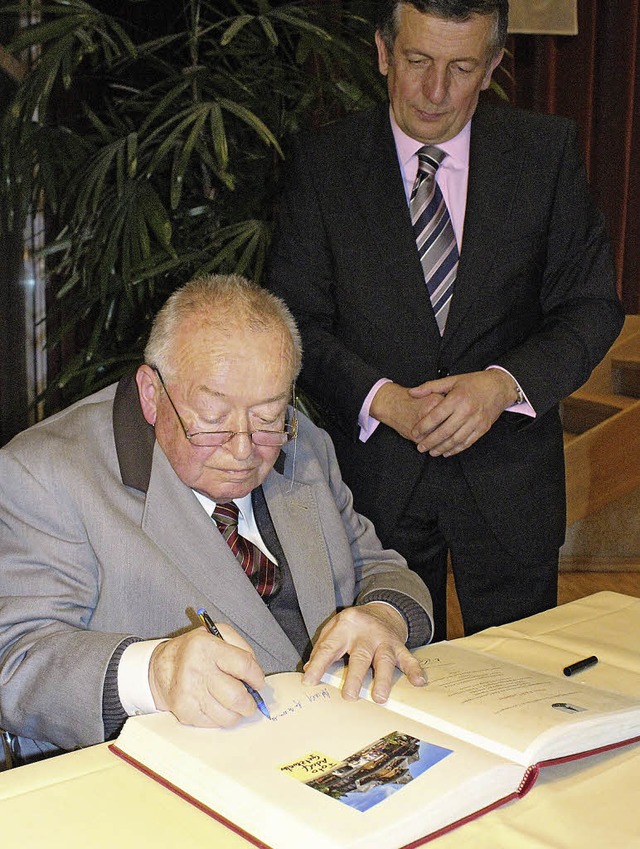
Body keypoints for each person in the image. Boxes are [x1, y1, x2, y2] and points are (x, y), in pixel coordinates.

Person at [268, 0, 625, 641]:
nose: (435, 92)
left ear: (492, 67)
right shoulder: (325, 164)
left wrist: (501, 385)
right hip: (374, 486)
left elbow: (592, 307)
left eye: (460, 68)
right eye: (417, 61)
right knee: (386, 692)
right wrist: (381, 400)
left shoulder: (544, 155)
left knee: (523, 687)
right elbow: (294, 321)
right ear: (382, 53)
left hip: (511, 485)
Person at [0, 273, 433, 765]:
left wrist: (382, 615)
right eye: (211, 417)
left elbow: (381, 566)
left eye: (269, 416)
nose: (245, 449)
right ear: (150, 393)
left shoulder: (304, 443)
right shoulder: (45, 474)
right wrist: (155, 674)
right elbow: (14, 661)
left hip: (347, 741)